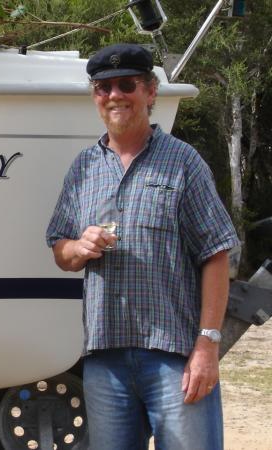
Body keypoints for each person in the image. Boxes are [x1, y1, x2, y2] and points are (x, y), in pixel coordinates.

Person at [46, 43, 239, 449]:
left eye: (126, 85)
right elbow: (59, 251)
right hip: (104, 358)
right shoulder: (83, 167)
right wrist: (78, 246)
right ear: (95, 96)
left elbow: (217, 255)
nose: (114, 95)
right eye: (103, 87)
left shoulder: (183, 161)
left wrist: (207, 344)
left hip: (174, 357)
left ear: (150, 92)